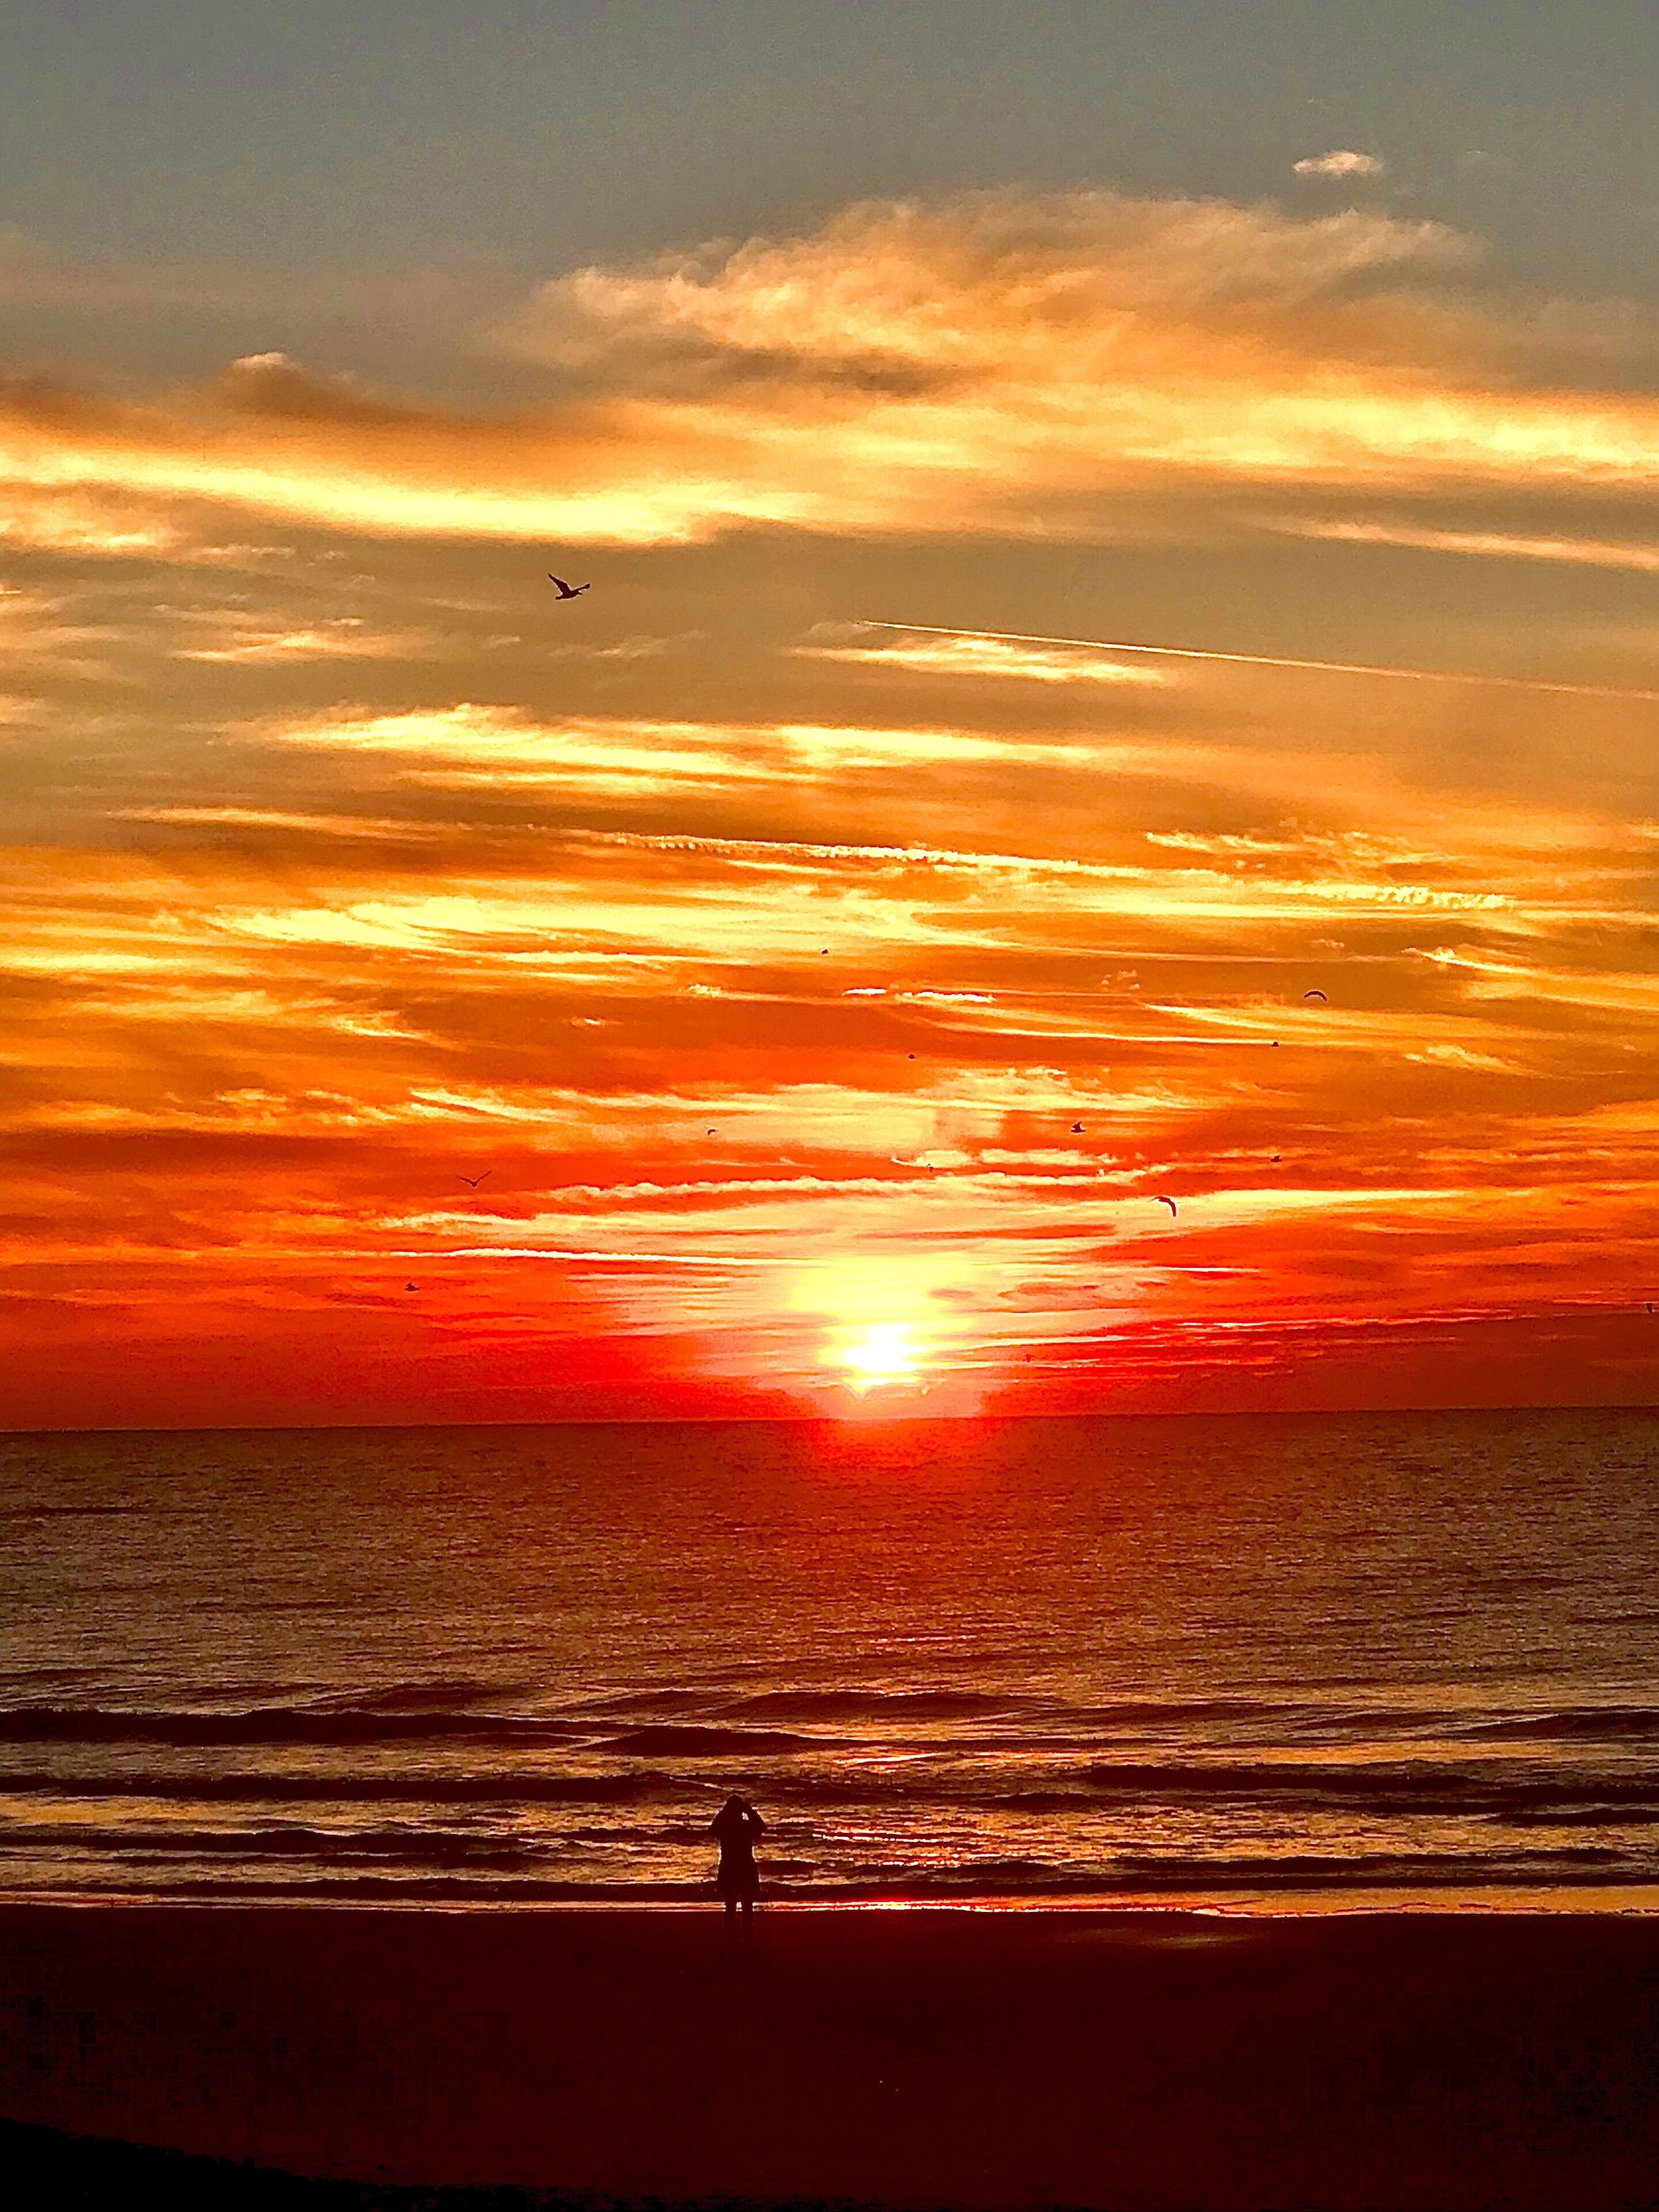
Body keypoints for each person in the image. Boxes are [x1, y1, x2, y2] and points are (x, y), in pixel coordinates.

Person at [710, 1791, 764, 1926]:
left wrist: (723, 1813)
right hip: (743, 1867)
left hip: (731, 1867)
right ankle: (746, 1941)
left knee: (731, 1906)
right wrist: (749, 1810)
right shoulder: (745, 1827)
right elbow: (761, 1827)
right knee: (746, 1907)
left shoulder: (727, 1828)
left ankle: (733, 1941)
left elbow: (713, 1830)